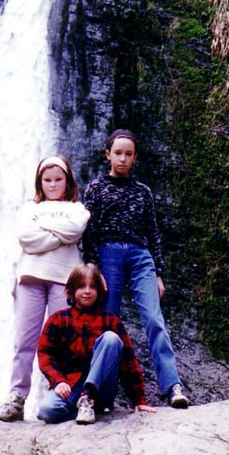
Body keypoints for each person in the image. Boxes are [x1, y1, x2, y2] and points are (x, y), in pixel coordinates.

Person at [82, 129, 189, 408]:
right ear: (108, 155)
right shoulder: (95, 188)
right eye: (118, 153)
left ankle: (172, 386)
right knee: (107, 323)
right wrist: (93, 267)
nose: (122, 158)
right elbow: (88, 231)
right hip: (108, 254)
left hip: (141, 257)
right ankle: (100, 393)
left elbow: (153, 232)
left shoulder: (143, 192)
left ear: (135, 158)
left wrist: (158, 273)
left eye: (128, 154)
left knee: (154, 319)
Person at [0, 155, 90, 422]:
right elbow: (26, 238)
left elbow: (75, 230)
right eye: (47, 180)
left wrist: (44, 230)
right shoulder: (27, 209)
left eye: (59, 179)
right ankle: (16, 397)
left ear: (68, 181)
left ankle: (61, 396)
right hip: (30, 279)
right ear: (40, 182)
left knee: (65, 343)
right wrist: (59, 235)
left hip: (65, 280)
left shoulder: (78, 209)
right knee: (24, 341)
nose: (53, 184)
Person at [37, 263, 157, 424]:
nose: (87, 291)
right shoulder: (58, 320)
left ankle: (89, 399)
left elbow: (129, 363)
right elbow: (45, 355)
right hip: (72, 386)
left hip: (103, 388)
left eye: (92, 287)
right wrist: (58, 381)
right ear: (71, 290)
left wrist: (139, 401)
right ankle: (86, 408)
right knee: (46, 410)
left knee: (111, 338)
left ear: (100, 291)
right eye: (81, 287)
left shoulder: (111, 321)